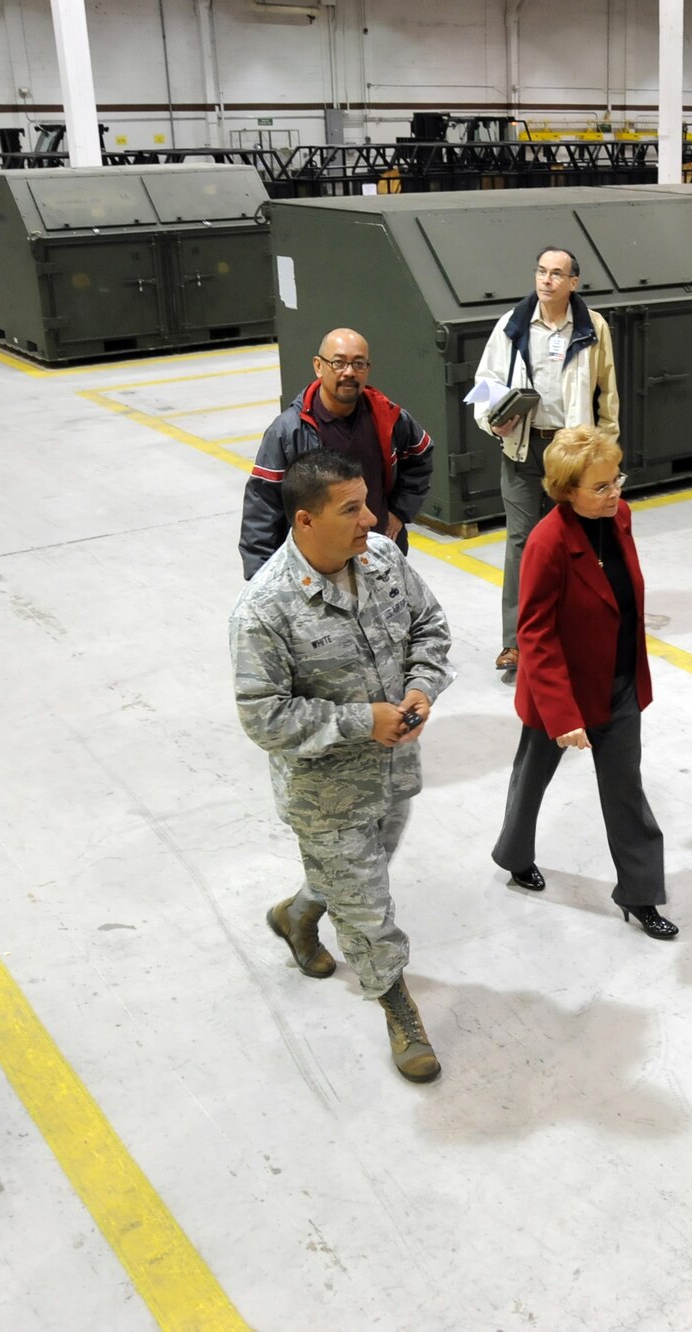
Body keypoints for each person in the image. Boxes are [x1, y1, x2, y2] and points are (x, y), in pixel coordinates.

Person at [231, 449, 456, 1082]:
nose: (370, 519)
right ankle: (398, 1009)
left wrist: (420, 687)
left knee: (361, 873)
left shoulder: (382, 560)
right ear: (305, 521)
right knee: (369, 906)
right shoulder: (265, 610)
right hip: (324, 795)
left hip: (393, 771)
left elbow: (430, 626)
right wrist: (364, 720)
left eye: (367, 502)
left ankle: (299, 913)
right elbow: (263, 717)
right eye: (351, 509)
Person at [490, 426, 676, 940]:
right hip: (563, 694)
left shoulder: (620, 518)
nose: (614, 492)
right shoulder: (547, 542)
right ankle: (514, 854)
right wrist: (564, 714)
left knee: (626, 794)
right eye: (600, 486)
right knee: (531, 781)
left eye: (616, 479)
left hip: (616, 686)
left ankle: (639, 895)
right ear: (565, 490)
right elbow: (535, 632)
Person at [472, 247, 620, 676]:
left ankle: (573, 632)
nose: (547, 280)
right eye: (541, 271)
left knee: (577, 541)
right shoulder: (513, 325)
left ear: (573, 283)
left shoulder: (593, 328)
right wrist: (492, 420)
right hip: (523, 448)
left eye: (557, 274)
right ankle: (515, 643)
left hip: (572, 452)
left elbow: (607, 396)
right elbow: (484, 382)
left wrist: (605, 459)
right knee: (521, 543)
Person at [241, 328, 434, 580]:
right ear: (318, 366)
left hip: (377, 556)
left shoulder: (388, 417)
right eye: (339, 362)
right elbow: (263, 506)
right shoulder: (289, 431)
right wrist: (261, 578)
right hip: (318, 567)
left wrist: (400, 511)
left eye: (358, 363)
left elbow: (420, 456)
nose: (349, 372)